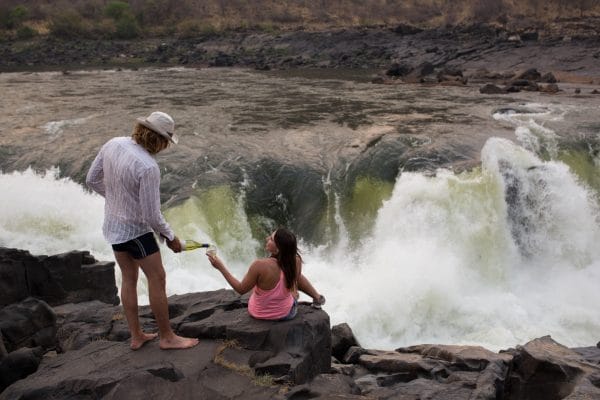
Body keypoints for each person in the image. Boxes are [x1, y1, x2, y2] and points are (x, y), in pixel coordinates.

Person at [86, 111, 199, 350]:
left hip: (114, 227)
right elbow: (151, 215)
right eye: (166, 141)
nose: (166, 146)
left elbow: (92, 179)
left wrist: (117, 199)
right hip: (137, 232)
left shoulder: (113, 143)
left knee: (128, 279)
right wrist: (171, 237)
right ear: (158, 139)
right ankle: (167, 337)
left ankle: (136, 336)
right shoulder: (148, 167)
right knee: (157, 279)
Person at [207, 227, 325, 321]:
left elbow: (241, 289)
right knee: (294, 278)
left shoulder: (259, 265)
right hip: (286, 314)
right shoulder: (296, 261)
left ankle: (297, 293)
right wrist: (293, 291)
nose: (267, 238)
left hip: (258, 313)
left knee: (256, 286)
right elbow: (296, 278)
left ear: (277, 249)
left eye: (271, 239)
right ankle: (317, 298)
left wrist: (220, 267)